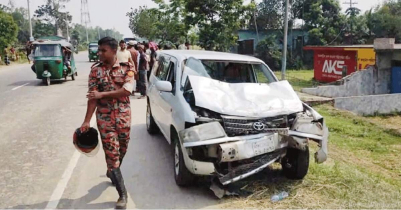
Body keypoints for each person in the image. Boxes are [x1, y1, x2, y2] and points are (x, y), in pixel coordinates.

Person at [80, 37, 135, 209]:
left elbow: (126, 90)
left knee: (123, 148)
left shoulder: (127, 68)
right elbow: (92, 98)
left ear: (113, 50)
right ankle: (122, 195)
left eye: (103, 50)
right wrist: (87, 120)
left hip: (123, 117)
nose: (100, 53)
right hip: (104, 119)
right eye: (99, 50)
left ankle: (112, 171)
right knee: (112, 155)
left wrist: (102, 95)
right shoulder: (95, 71)